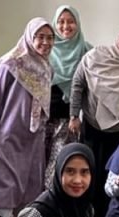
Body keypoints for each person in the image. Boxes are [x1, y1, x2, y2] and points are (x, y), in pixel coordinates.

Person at [0, 18, 55, 217]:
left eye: (50, 38)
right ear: (29, 37)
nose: (45, 42)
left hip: (33, 136)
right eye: (40, 37)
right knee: (7, 184)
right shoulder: (11, 63)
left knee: (30, 184)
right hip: (9, 134)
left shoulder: (46, 66)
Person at [70, 25, 119, 217]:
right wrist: (74, 115)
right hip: (91, 126)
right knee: (86, 171)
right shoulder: (95, 56)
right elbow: (77, 85)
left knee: (111, 177)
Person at [43, 5, 91, 189]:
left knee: (57, 165)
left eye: (71, 21)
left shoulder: (87, 52)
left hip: (68, 120)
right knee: (38, 162)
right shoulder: (46, 49)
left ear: (77, 24)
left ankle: (50, 201)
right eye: (61, 22)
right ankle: (34, 202)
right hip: (42, 117)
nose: (65, 26)